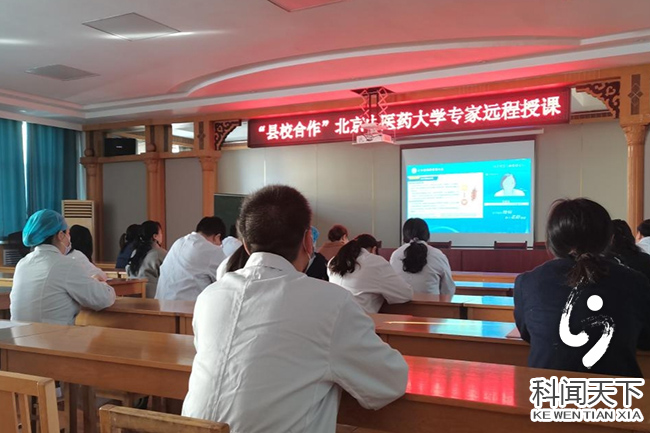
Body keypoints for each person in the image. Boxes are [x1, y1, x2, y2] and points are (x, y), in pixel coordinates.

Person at [182, 185, 407, 433]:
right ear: (308, 240)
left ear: (245, 244)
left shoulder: (210, 296)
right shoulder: (330, 302)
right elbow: (390, 381)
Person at [514, 198, 650, 377]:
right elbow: (646, 339)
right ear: (609, 239)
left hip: (548, 389)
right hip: (617, 391)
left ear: (551, 240)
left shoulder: (528, 282)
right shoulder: (635, 281)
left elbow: (527, 333)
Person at [10, 210, 116, 325]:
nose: (69, 239)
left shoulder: (22, 264)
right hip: (51, 334)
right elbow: (103, 299)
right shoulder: (66, 264)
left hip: (19, 334)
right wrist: (100, 282)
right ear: (61, 235)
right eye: (68, 233)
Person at [328, 234, 413, 314]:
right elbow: (405, 294)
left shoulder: (333, 261)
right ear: (374, 249)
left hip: (332, 318)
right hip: (358, 320)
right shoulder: (375, 262)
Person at [155, 217, 227, 301]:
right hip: (186, 307)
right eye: (220, 243)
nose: (220, 246)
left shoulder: (179, 242)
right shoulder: (211, 250)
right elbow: (228, 281)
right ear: (217, 237)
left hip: (160, 304)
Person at [390, 218, 455, 294]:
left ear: (404, 236)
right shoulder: (438, 255)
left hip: (400, 301)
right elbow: (448, 290)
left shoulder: (395, 255)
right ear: (427, 235)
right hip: (431, 301)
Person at [126, 220, 167, 298]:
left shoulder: (135, 252)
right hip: (152, 294)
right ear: (155, 236)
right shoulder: (160, 253)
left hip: (132, 293)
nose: (162, 235)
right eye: (160, 233)